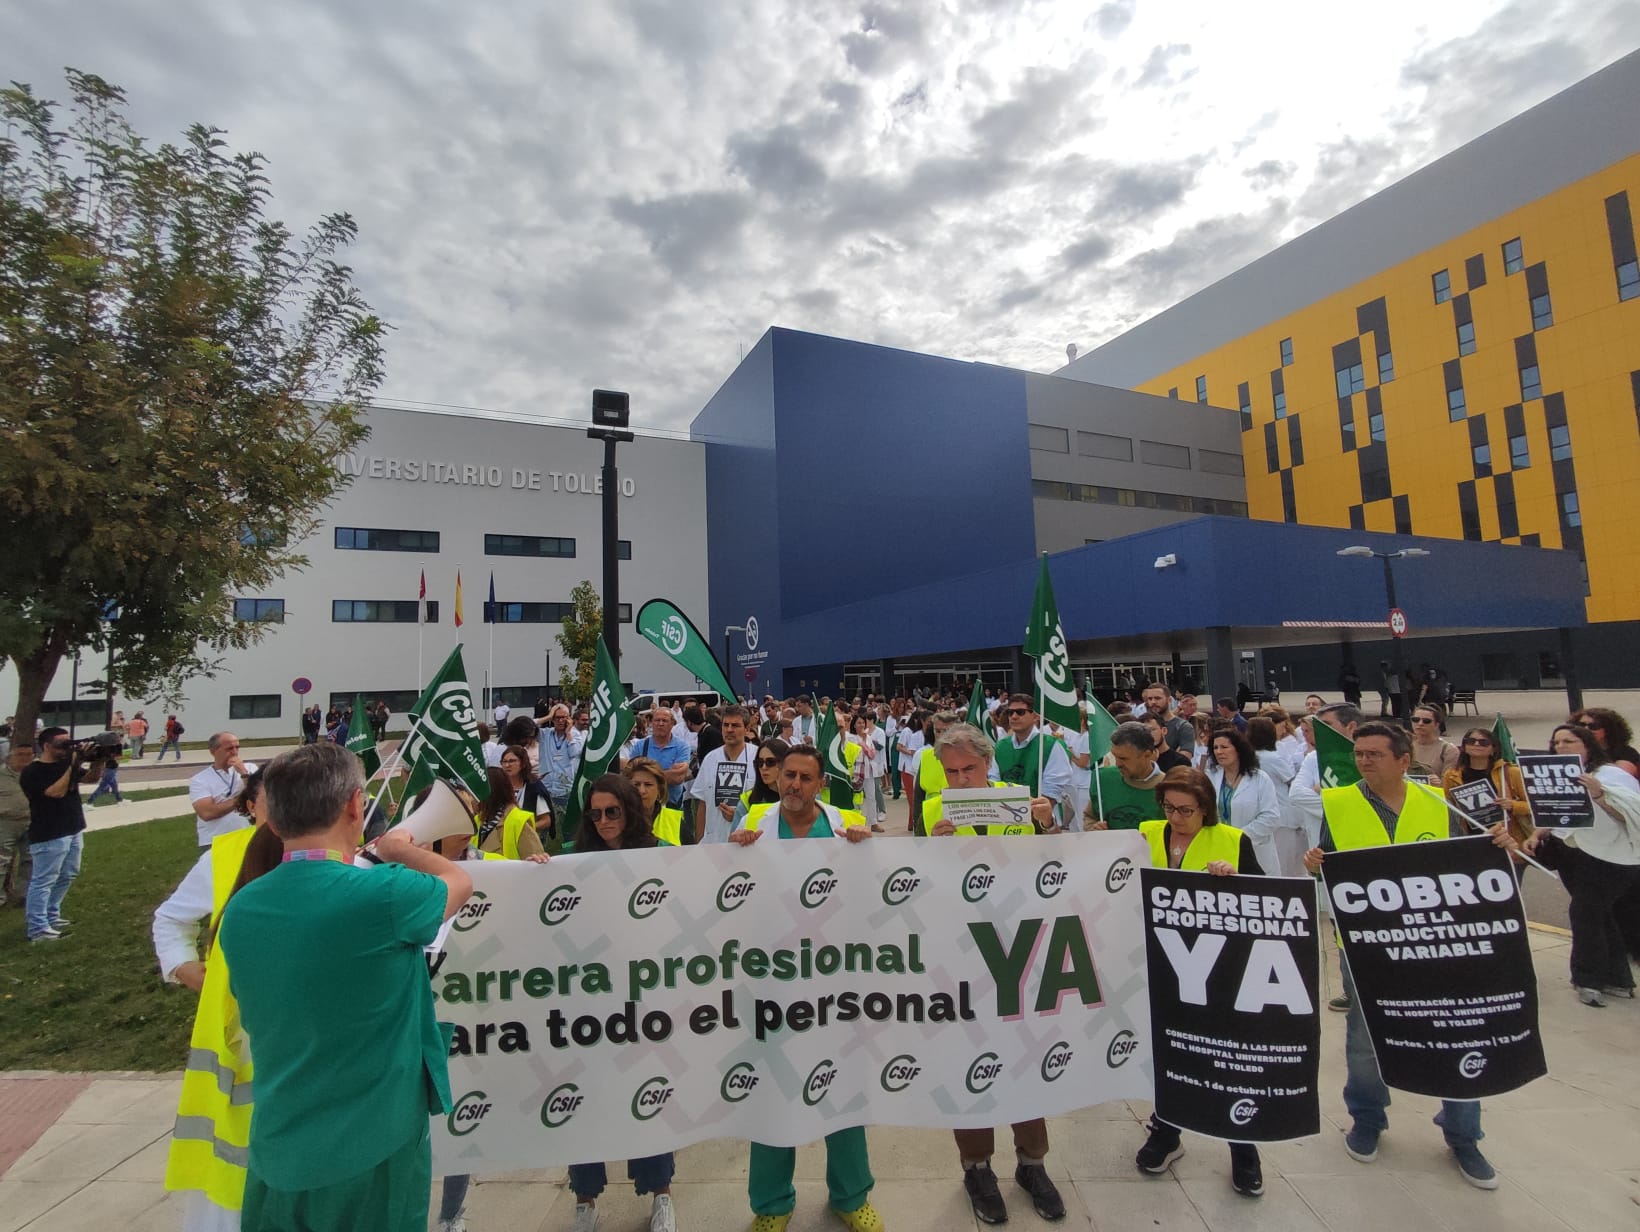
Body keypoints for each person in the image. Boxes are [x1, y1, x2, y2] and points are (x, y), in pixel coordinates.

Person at [218, 742, 472, 1232]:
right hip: (374, 1145)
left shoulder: (242, 910)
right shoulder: (385, 893)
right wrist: (401, 848)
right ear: (356, 806)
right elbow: (458, 882)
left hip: (280, 1145)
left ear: (272, 819)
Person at [1303, 721, 1500, 1189]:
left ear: (1403, 761)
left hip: (1436, 944)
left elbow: (1465, 859)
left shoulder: (1436, 801)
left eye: (1374, 754)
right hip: (1368, 946)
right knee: (1365, 1037)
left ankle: (1463, 1134)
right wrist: (1314, 865)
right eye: (1359, 754)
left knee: (1455, 1033)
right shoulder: (1340, 803)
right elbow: (1330, 864)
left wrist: (1498, 847)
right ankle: (1368, 1118)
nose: (1364, 762)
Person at [729, 745, 880, 1232]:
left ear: (821, 784)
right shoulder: (756, 820)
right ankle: (771, 1205)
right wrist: (733, 851)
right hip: (772, 982)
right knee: (773, 1094)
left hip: (836, 983)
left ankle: (851, 1195)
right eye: (787, 775)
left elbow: (876, 889)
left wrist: (867, 846)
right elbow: (717, 883)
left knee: (843, 1087)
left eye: (805, 778)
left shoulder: (843, 823)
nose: (794, 784)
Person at [925, 724, 1065, 1223]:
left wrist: (1048, 825)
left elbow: (1060, 866)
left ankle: (1032, 1161)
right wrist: (929, 849)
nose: (961, 779)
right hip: (962, 955)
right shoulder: (932, 809)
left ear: (988, 763)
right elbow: (914, 885)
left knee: (1025, 1056)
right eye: (952, 771)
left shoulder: (1023, 802)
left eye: (970, 768)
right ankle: (976, 1165)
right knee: (968, 1060)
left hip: (1019, 948)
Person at [154, 771, 278, 1232]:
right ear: (251, 805)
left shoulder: (348, 857)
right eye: (274, 797)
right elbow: (169, 920)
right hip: (240, 1052)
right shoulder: (225, 857)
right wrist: (186, 969)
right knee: (235, 1183)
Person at [1134, 766, 1266, 1197]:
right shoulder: (1145, 832)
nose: (1176, 817)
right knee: (1169, 1051)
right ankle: (1167, 1131)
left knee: (1223, 1056)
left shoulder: (1232, 839)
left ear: (1205, 807)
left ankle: (1243, 1148)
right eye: (1169, 807)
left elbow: (1266, 901)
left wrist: (1236, 878)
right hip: (1158, 961)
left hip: (1216, 967)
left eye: (1186, 810)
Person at [563, 773, 680, 1232]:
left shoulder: (661, 856)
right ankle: (585, 1197)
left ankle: (661, 1193)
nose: (605, 820)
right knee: (583, 1097)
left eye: (613, 811)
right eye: (596, 813)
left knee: (651, 1096)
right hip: (589, 1005)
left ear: (630, 809)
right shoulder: (572, 862)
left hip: (647, 1002)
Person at [1522, 724, 1640, 1006]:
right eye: (1557, 742)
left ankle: (1588, 980)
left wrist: (1599, 795)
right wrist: (1536, 834)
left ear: (1588, 745)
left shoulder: (1610, 774)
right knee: (1599, 915)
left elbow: (1632, 815)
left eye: (1570, 741)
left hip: (1613, 857)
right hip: (1574, 853)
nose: (1561, 746)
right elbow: (1557, 812)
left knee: (1584, 912)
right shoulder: (1559, 774)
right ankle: (1618, 979)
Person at [20, 728, 93, 942]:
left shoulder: (66, 765)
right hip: (49, 832)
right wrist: (73, 764)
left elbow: (91, 778)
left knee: (68, 873)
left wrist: (100, 760)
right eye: (62, 744)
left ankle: (52, 915)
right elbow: (55, 792)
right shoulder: (33, 771)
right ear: (46, 746)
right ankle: (38, 928)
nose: (67, 748)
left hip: (72, 828)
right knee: (43, 881)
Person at [1205, 727, 1283, 876]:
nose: (1219, 751)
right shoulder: (1211, 778)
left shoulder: (1260, 779)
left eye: (1224, 747)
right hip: (1220, 850)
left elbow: (1271, 817)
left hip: (1255, 849)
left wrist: (1239, 837)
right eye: (1215, 748)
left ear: (1239, 749)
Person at [992, 694, 1076, 830]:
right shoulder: (1000, 746)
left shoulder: (1052, 745)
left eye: (1020, 712)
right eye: (1010, 712)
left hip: (1046, 823)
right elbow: (993, 782)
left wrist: (1032, 814)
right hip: (1007, 822)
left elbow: (1053, 791)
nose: (1014, 716)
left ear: (1035, 716)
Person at [1441, 728, 1531, 843]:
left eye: (1483, 742)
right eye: (1471, 741)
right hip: (1469, 838)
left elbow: (1534, 806)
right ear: (1464, 746)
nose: (1477, 744)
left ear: (1493, 749)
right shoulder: (1451, 775)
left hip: (1506, 839)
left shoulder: (1511, 772)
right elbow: (1447, 808)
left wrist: (1513, 805)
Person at [690, 704, 758, 844]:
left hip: (747, 843)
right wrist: (699, 842)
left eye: (735, 725)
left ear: (747, 729)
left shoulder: (758, 758)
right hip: (713, 842)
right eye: (725, 725)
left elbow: (768, 804)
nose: (729, 730)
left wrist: (739, 815)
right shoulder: (710, 758)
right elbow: (702, 803)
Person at [1247, 716, 1306, 876]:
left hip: (1262, 813)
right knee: (1289, 864)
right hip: (1283, 816)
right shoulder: (1272, 758)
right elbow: (1292, 781)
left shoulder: (1249, 757)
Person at [1087, 722, 1166, 831]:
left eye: (1123, 758)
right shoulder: (1103, 779)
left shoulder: (1168, 787)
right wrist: (1094, 829)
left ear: (1147, 755)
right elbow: (1089, 817)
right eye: (1115, 757)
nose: (1117, 764)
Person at [189, 732, 253, 848]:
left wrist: (244, 773)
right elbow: (207, 813)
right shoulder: (200, 780)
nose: (234, 752)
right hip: (215, 840)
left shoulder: (249, 769)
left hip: (247, 836)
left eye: (237, 747)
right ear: (213, 752)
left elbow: (259, 796)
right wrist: (242, 799)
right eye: (229, 748)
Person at [630, 708, 692, 818]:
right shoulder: (640, 746)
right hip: (644, 808)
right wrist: (669, 773)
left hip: (672, 807)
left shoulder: (682, 746)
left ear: (672, 723)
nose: (660, 724)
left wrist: (646, 773)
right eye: (657, 720)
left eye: (664, 721)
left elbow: (677, 779)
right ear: (651, 723)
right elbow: (631, 775)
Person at [473, 767, 546, 860]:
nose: (473, 796)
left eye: (476, 791)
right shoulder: (477, 821)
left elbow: (536, 863)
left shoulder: (518, 822)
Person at [499, 743, 556, 843]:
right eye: (504, 762)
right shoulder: (499, 787)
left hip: (527, 841)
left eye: (512, 761)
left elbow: (546, 821)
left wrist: (523, 829)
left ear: (523, 763)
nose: (507, 765)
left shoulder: (534, 787)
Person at [625, 756, 687, 846]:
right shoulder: (617, 820)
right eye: (636, 784)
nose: (642, 791)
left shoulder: (675, 820)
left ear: (659, 789)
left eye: (648, 785)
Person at [1, 744, 34, 908]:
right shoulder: (1, 775)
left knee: (30, 859)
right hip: (5, 823)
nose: (25, 758)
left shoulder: (35, 774)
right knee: (2, 861)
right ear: (9, 757)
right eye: (20, 754)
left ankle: (24, 895)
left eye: (29, 754)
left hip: (32, 822)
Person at [1569, 707, 1640, 780]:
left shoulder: (1625, 753)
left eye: (1594, 726)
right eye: (1581, 725)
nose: (1586, 729)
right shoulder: (1572, 751)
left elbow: (1619, 779)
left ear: (1608, 730)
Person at [538, 705, 584, 815]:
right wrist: (548, 717)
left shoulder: (574, 735)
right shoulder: (545, 733)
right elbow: (523, 725)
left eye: (564, 717)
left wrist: (568, 734)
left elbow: (574, 753)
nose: (560, 720)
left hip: (564, 788)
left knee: (563, 823)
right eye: (557, 717)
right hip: (546, 787)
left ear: (569, 719)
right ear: (553, 719)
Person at [850, 709, 887, 829]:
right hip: (857, 770)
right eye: (859, 723)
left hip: (870, 769)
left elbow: (872, 753)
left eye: (863, 723)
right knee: (857, 797)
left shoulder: (869, 737)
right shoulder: (851, 738)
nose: (861, 725)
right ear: (854, 725)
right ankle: (856, 822)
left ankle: (873, 822)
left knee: (871, 797)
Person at [1141, 682, 1194, 763]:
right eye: (1150, 699)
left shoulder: (1182, 726)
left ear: (1169, 700)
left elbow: (1183, 760)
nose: (1153, 702)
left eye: (1157, 698)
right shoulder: (1141, 725)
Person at [1408, 704, 1460, 779]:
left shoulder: (1448, 750)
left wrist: (1439, 783)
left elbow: (1449, 782)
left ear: (1436, 725)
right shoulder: (1403, 744)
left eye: (1426, 721)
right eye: (1415, 719)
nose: (1420, 723)